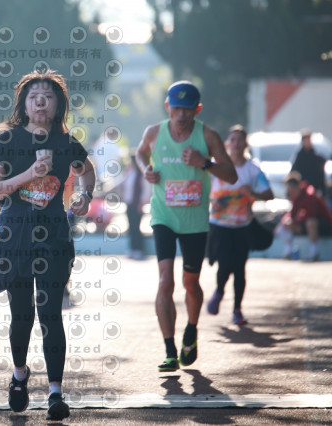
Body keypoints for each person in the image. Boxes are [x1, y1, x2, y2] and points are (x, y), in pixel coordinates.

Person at [0, 69, 96, 421]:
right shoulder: (7, 140)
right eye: (34, 96)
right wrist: (30, 174)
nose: (41, 101)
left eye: (48, 96)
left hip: (54, 236)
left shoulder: (66, 142)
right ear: (24, 105)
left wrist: (85, 196)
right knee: (22, 314)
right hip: (15, 236)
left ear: (58, 104)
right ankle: (19, 375)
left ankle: (56, 393)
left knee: (50, 314)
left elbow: (87, 171)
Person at [135, 81, 237, 373]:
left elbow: (231, 175)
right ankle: (169, 351)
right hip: (163, 216)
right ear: (167, 107)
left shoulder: (208, 135)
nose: (181, 115)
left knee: (190, 283)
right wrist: (146, 170)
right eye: (176, 108)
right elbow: (140, 154)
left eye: (187, 109)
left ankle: (191, 329)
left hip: (194, 221)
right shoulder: (154, 133)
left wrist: (204, 163)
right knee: (165, 282)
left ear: (197, 109)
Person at [205, 125, 274, 325]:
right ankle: (219, 291)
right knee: (224, 264)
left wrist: (252, 192)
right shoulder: (215, 168)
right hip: (219, 224)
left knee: (240, 268)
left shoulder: (252, 170)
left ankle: (237, 310)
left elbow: (269, 194)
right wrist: (213, 202)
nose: (236, 143)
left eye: (240, 140)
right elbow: (202, 190)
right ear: (227, 143)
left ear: (246, 144)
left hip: (243, 226)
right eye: (232, 139)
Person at [275, 171, 332, 262]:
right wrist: (287, 222)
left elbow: (311, 215)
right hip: (309, 223)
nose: (288, 192)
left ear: (294, 187)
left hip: (325, 225)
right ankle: (288, 251)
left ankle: (314, 252)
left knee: (310, 222)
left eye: (289, 189)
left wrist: (296, 224)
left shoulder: (309, 194)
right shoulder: (296, 197)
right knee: (285, 225)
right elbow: (292, 214)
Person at [119, 153, 151, 260]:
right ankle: (132, 248)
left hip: (138, 205)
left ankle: (139, 249)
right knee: (131, 227)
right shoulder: (130, 173)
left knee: (136, 227)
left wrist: (142, 203)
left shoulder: (142, 175)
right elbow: (123, 185)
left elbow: (146, 191)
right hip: (129, 203)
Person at [291, 128, 326, 198]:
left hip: (315, 189)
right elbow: (294, 173)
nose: (307, 142)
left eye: (308, 139)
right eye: (305, 140)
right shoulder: (299, 157)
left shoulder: (317, 158)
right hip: (302, 191)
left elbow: (320, 176)